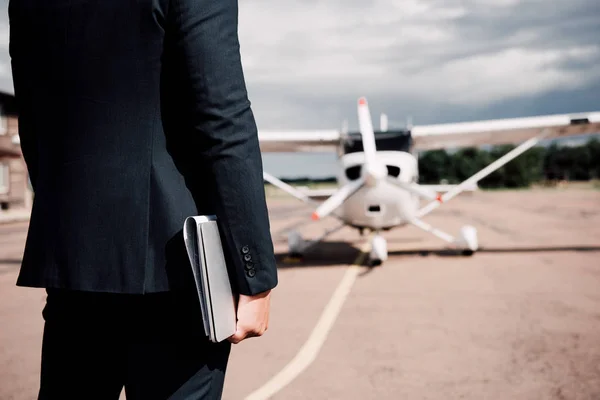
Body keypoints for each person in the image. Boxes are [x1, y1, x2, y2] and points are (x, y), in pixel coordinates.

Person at [8, 0, 278, 398]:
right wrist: (255, 278)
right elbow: (223, 119)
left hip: (73, 267)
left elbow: (33, 121)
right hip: (176, 276)